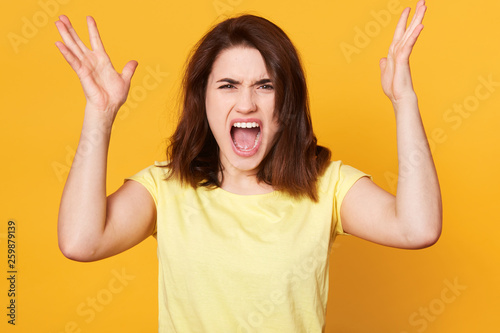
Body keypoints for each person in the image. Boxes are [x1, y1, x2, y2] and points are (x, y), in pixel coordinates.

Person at [55, 0, 441, 331]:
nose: (246, 103)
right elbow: (80, 242)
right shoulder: (166, 186)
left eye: (265, 85)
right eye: (227, 85)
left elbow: (417, 228)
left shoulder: (326, 186)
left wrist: (404, 101)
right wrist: (100, 115)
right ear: (202, 99)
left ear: (286, 102)